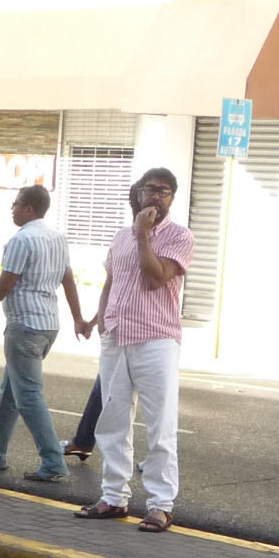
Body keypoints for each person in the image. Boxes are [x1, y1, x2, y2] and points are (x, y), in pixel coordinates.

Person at [74, 168, 194, 531]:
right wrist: (99, 318)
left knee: (160, 426)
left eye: (165, 191)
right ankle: (113, 497)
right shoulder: (120, 237)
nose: (157, 196)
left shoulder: (178, 236)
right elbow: (113, 280)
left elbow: (155, 276)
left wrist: (144, 234)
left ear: (172, 199)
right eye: (151, 189)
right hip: (116, 338)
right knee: (112, 422)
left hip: (155, 340)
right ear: (138, 193)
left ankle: (160, 504)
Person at [0, 183, 88, 483]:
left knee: (29, 396)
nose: (12, 209)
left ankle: (53, 462)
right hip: (48, 325)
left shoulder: (21, 240)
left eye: (16, 204)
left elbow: (7, 281)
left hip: (25, 326)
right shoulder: (58, 238)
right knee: (12, 393)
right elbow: (68, 279)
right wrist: (77, 318)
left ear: (29, 208)